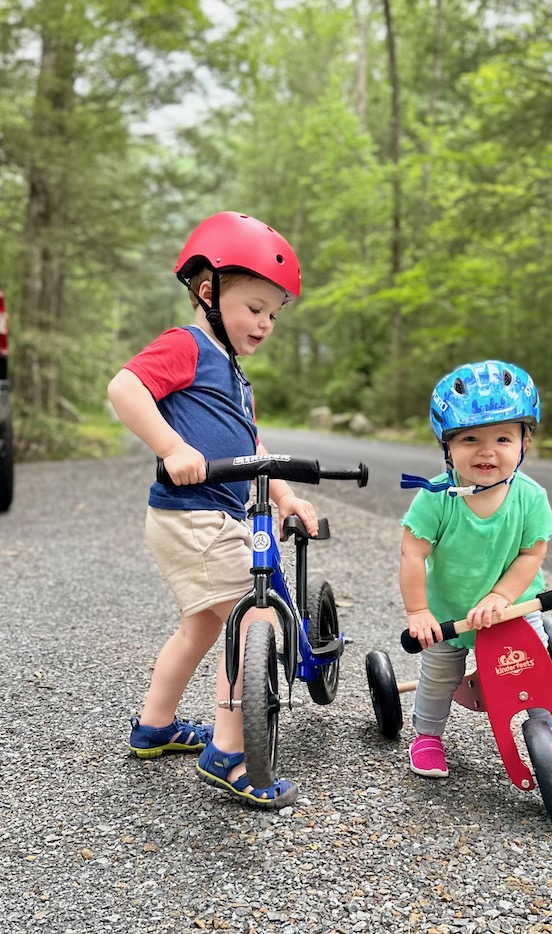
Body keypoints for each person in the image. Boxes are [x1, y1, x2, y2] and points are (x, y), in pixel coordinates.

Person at [108, 211, 318, 810]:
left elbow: (253, 448)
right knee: (255, 621)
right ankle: (229, 751)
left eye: (274, 314)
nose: (266, 323)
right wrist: (174, 448)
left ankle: (156, 725)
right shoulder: (187, 345)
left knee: (202, 625)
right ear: (208, 291)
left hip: (210, 514)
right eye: (255, 307)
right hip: (191, 510)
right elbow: (124, 389)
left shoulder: (234, 374)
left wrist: (286, 495)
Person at [399, 360, 552, 791]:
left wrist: (503, 597)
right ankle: (428, 736)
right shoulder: (437, 498)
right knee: (438, 676)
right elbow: (413, 553)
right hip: (450, 614)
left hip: (514, 610)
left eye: (503, 438)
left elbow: (532, 553)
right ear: (446, 446)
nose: (487, 452)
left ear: (524, 442)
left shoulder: (530, 497)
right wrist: (418, 611)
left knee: (536, 673)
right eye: (470, 438)